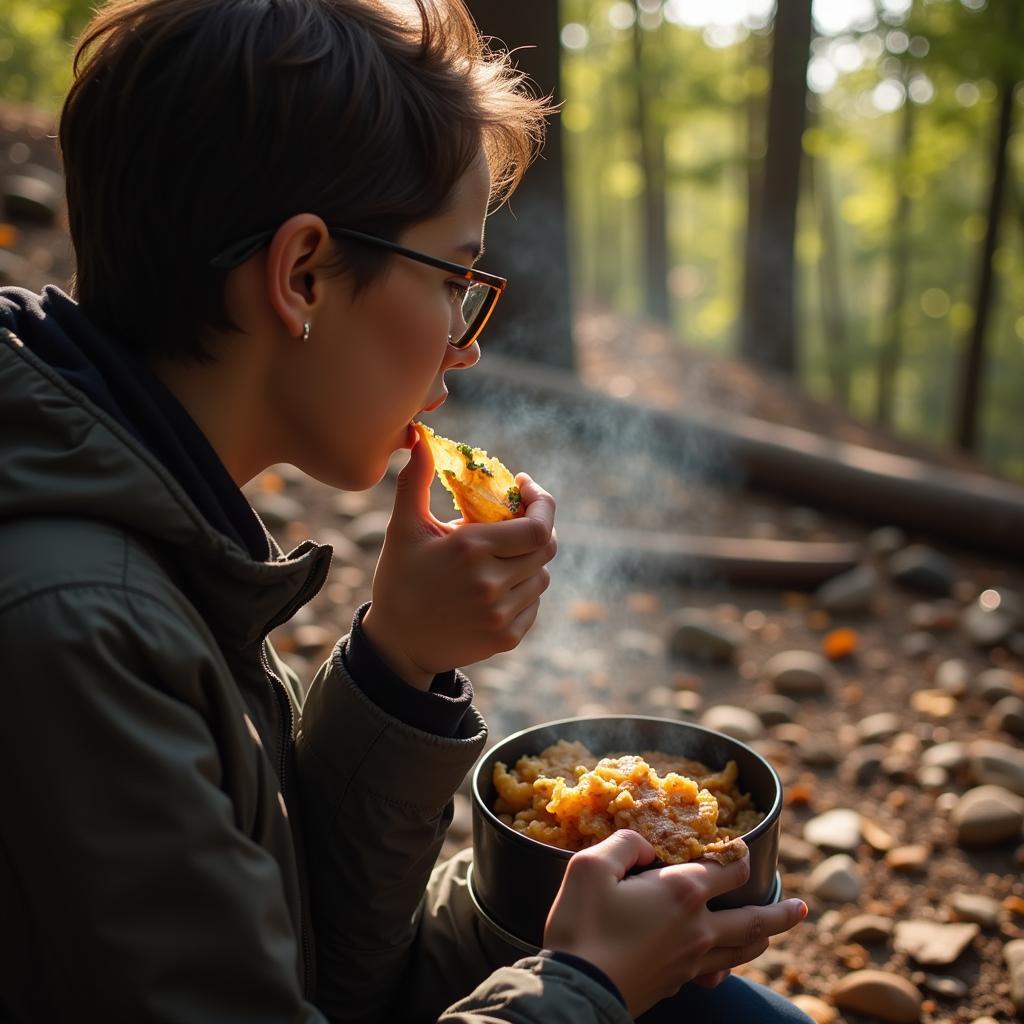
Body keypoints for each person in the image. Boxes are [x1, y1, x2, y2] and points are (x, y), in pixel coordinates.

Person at [0, 1, 813, 1021]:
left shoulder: (161, 525)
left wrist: (397, 666)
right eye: (454, 278)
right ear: (302, 275)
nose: (465, 343)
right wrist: (586, 985)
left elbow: (327, 968)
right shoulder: (78, 624)